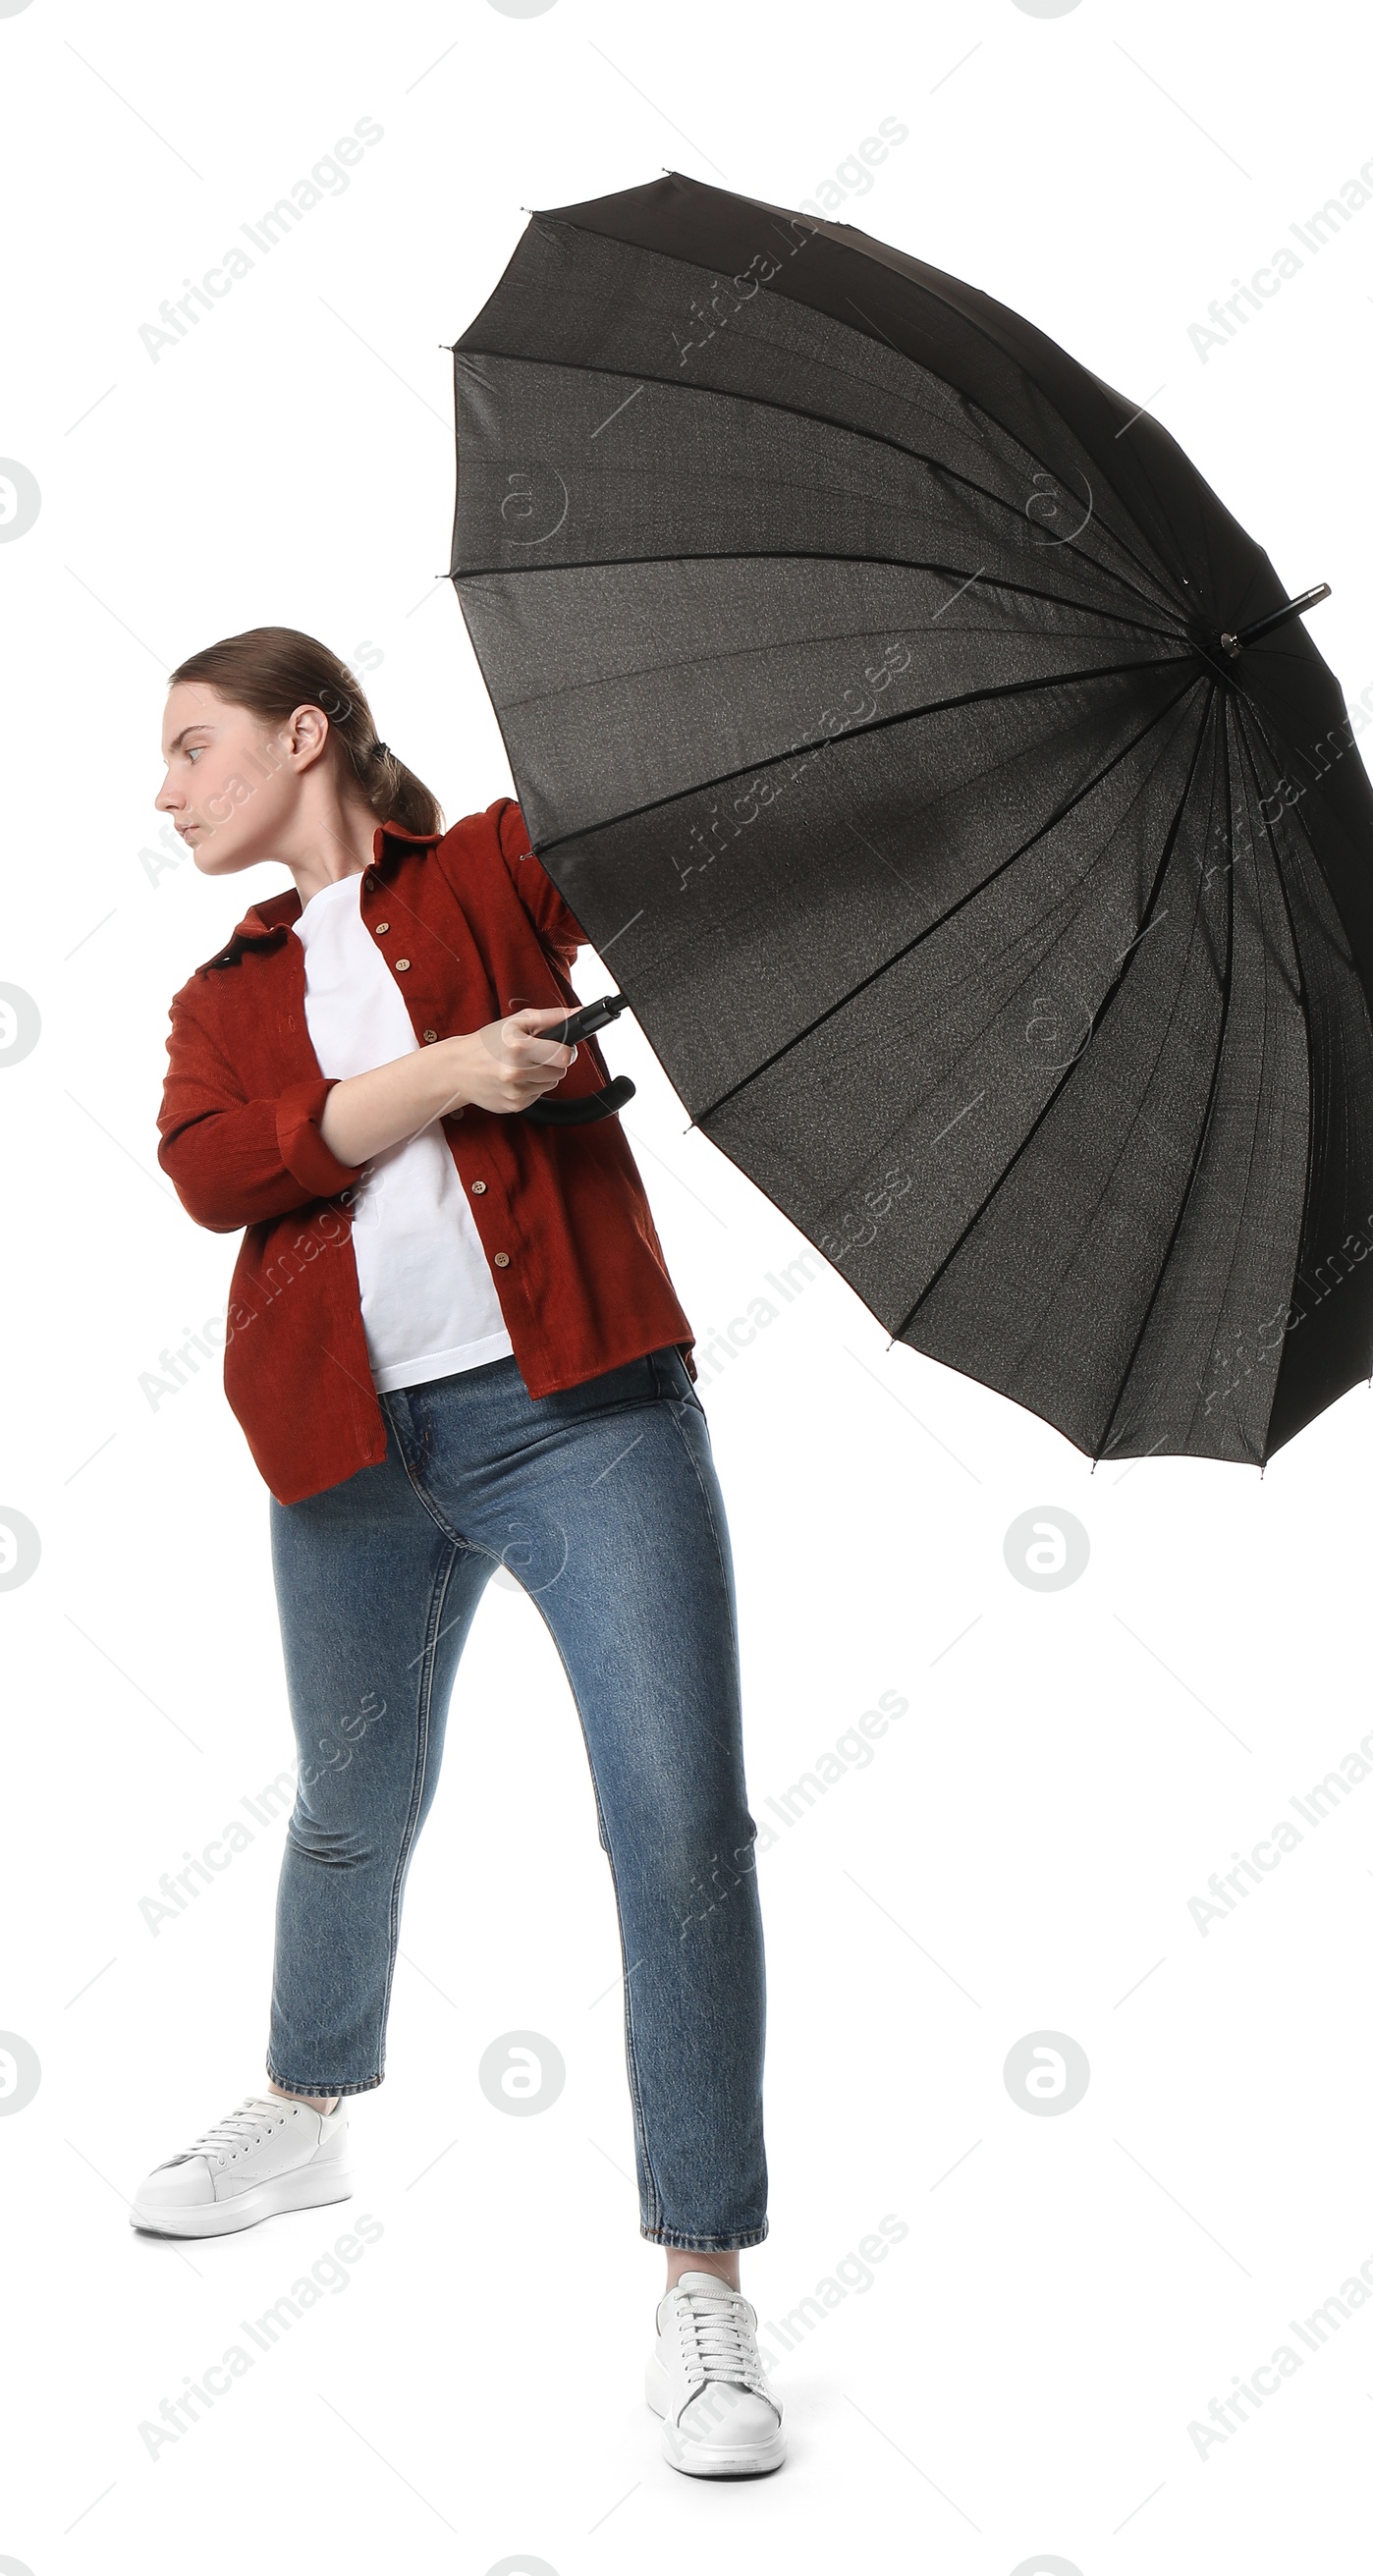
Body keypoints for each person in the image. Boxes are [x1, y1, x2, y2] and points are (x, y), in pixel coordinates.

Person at [132, 625, 783, 2479]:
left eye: (194, 746)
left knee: (678, 1832)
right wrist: (447, 1077)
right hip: (348, 1453)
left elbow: (673, 835)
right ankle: (304, 2105)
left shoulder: (492, 872)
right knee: (352, 1805)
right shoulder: (222, 990)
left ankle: (702, 2287)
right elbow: (218, 1170)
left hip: (580, 1413)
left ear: (304, 732)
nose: (167, 788)